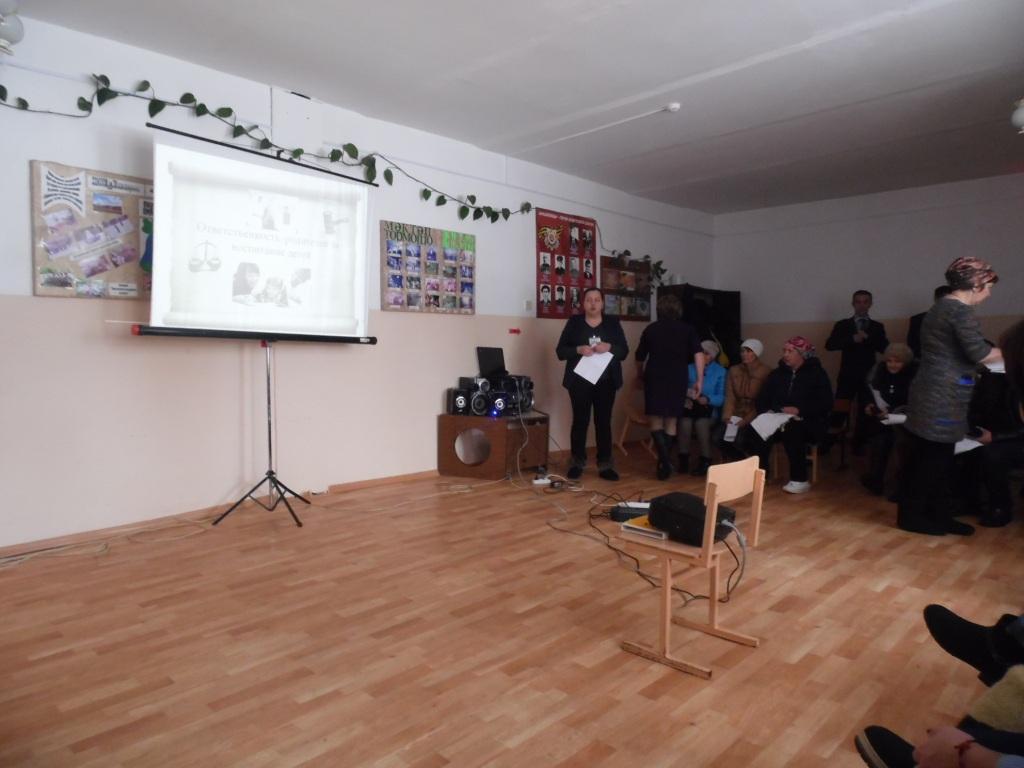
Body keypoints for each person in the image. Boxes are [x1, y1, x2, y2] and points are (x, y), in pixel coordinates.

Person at [898, 257, 1002, 536]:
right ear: (975, 284)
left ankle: (938, 515)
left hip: (933, 391)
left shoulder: (941, 306)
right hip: (942, 396)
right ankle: (913, 518)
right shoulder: (960, 311)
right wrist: (1013, 351)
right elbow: (979, 352)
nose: (989, 294)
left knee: (933, 459)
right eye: (988, 287)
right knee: (933, 461)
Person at [734, 336, 834, 493]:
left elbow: (825, 403)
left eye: (790, 351)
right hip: (778, 418)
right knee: (755, 430)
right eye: (784, 351)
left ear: (801, 354)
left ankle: (799, 479)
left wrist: (799, 410)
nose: (785, 354)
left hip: (809, 421)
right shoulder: (778, 374)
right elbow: (763, 399)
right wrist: (771, 410)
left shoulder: (817, 374)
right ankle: (761, 475)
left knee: (793, 430)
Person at [556, 287, 629, 481]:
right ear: (583, 303)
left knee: (603, 422)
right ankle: (577, 462)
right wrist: (578, 349)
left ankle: (605, 465)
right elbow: (560, 351)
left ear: (602, 303)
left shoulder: (613, 323)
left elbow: (624, 351)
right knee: (580, 421)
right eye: (589, 300)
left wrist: (610, 347)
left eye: (597, 300)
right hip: (580, 381)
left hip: (606, 381)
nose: (593, 303)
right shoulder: (574, 322)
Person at [634, 294, 703, 480]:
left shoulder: (651, 329)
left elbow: (639, 357)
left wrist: (639, 374)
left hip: (655, 376)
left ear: (659, 310)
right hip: (677, 377)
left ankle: (663, 462)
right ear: (678, 310)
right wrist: (699, 380)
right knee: (671, 421)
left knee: (655, 420)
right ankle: (665, 462)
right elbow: (698, 354)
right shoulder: (688, 330)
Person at [826, 290, 889, 452]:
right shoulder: (843, 325)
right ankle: (828, 442)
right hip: (847, 374)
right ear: (853, 304)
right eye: (858, 302)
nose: (862, 305)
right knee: (840, 407)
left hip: (869, 375)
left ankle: (859, 443)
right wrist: (851, 339)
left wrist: (868, 338)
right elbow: (830, 345)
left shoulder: (877, 327)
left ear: (870, 304)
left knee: (865, 409)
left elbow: (885, 348)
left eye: (865, 301)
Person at [860, 343, 917, 496]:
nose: (892, 365)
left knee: (902, 448)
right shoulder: (879, 372)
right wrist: (869, 405)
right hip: (883, 420)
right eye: (889, 361)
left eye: (897, 361)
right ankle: (875, 480)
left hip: (905, 422)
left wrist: (892, 411)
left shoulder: (914, 377)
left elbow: (914, 403)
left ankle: (900, 488)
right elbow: (870, 392)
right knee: (879, 442)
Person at [719, 338, 773, 459]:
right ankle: (741, 462)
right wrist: (727, 417)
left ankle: (749, 464)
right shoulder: (734, 370)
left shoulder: (766, 371)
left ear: (756, 353)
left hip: (755, 414)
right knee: (718, 438)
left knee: (742, 440)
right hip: (736, 413)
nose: (744, 354)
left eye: (748, 351)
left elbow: (763, 402)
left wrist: (746, 420)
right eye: (742, 351)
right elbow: (730, 397)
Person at [678, 340, 725, 476]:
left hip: (709, 409)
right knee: (685, 423)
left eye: (706, 353)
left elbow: (722, 397)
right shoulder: (689, 368)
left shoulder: (720, 371)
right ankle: (683, 458)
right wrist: (688, 394)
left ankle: (706, 460)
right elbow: (679, 388)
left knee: (701, 424)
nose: (702, 356)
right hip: (690, 406)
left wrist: (708, 399)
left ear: (713, 356)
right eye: (700, 352)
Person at [908, 285, 954, 359]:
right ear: (936, 300)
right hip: (926, 359)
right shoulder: (917, 320)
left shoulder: (961, 319)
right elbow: (912, 346)